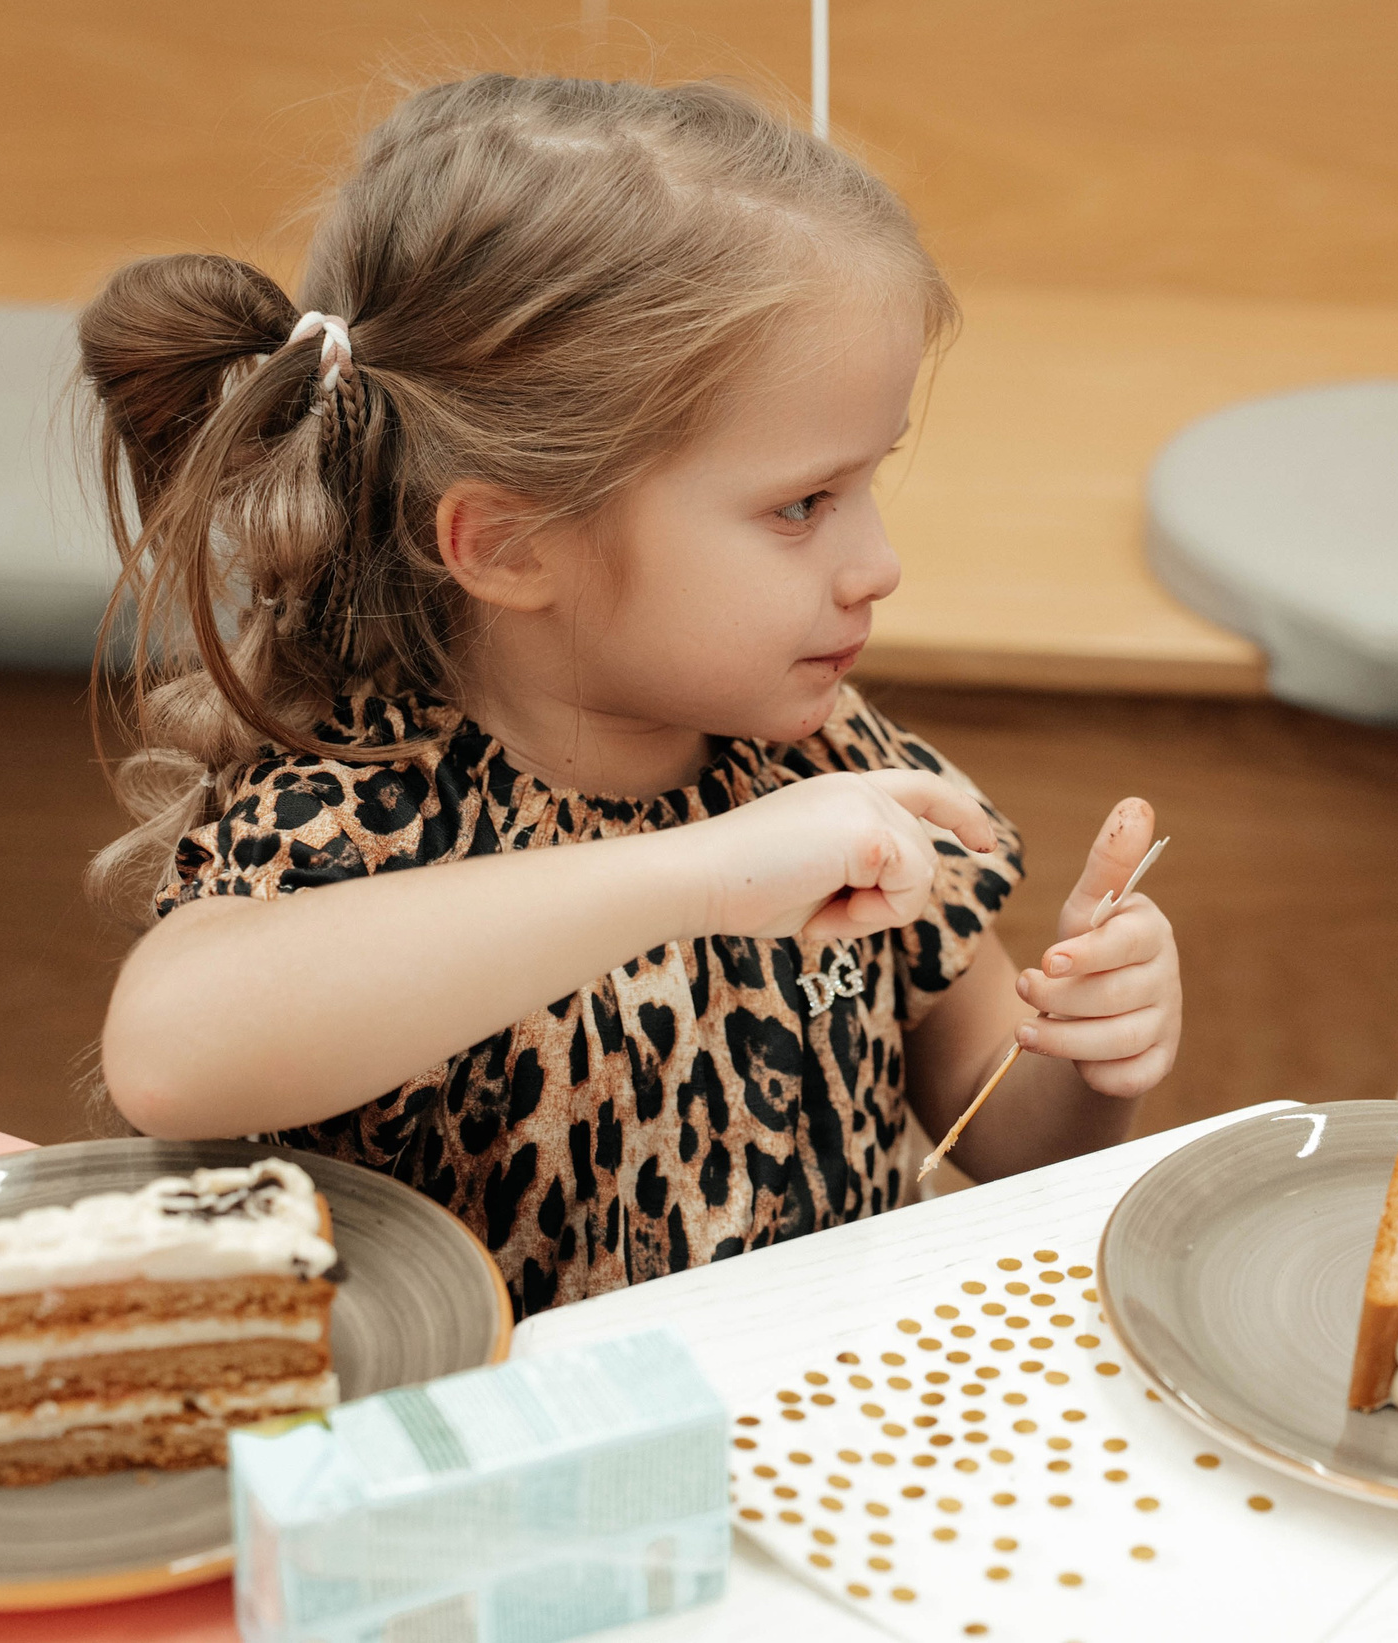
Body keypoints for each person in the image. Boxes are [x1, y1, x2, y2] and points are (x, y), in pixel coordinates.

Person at [79, 75, 1182, 1318]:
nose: (877, 565)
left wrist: (1087, 1063)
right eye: (802, 505)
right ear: (507, 546)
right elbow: (170, 1057)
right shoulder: (355, 811)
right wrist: (702, 873)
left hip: (801, 1458)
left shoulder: (823, 761)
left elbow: (1001, 1140)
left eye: (869, 482)